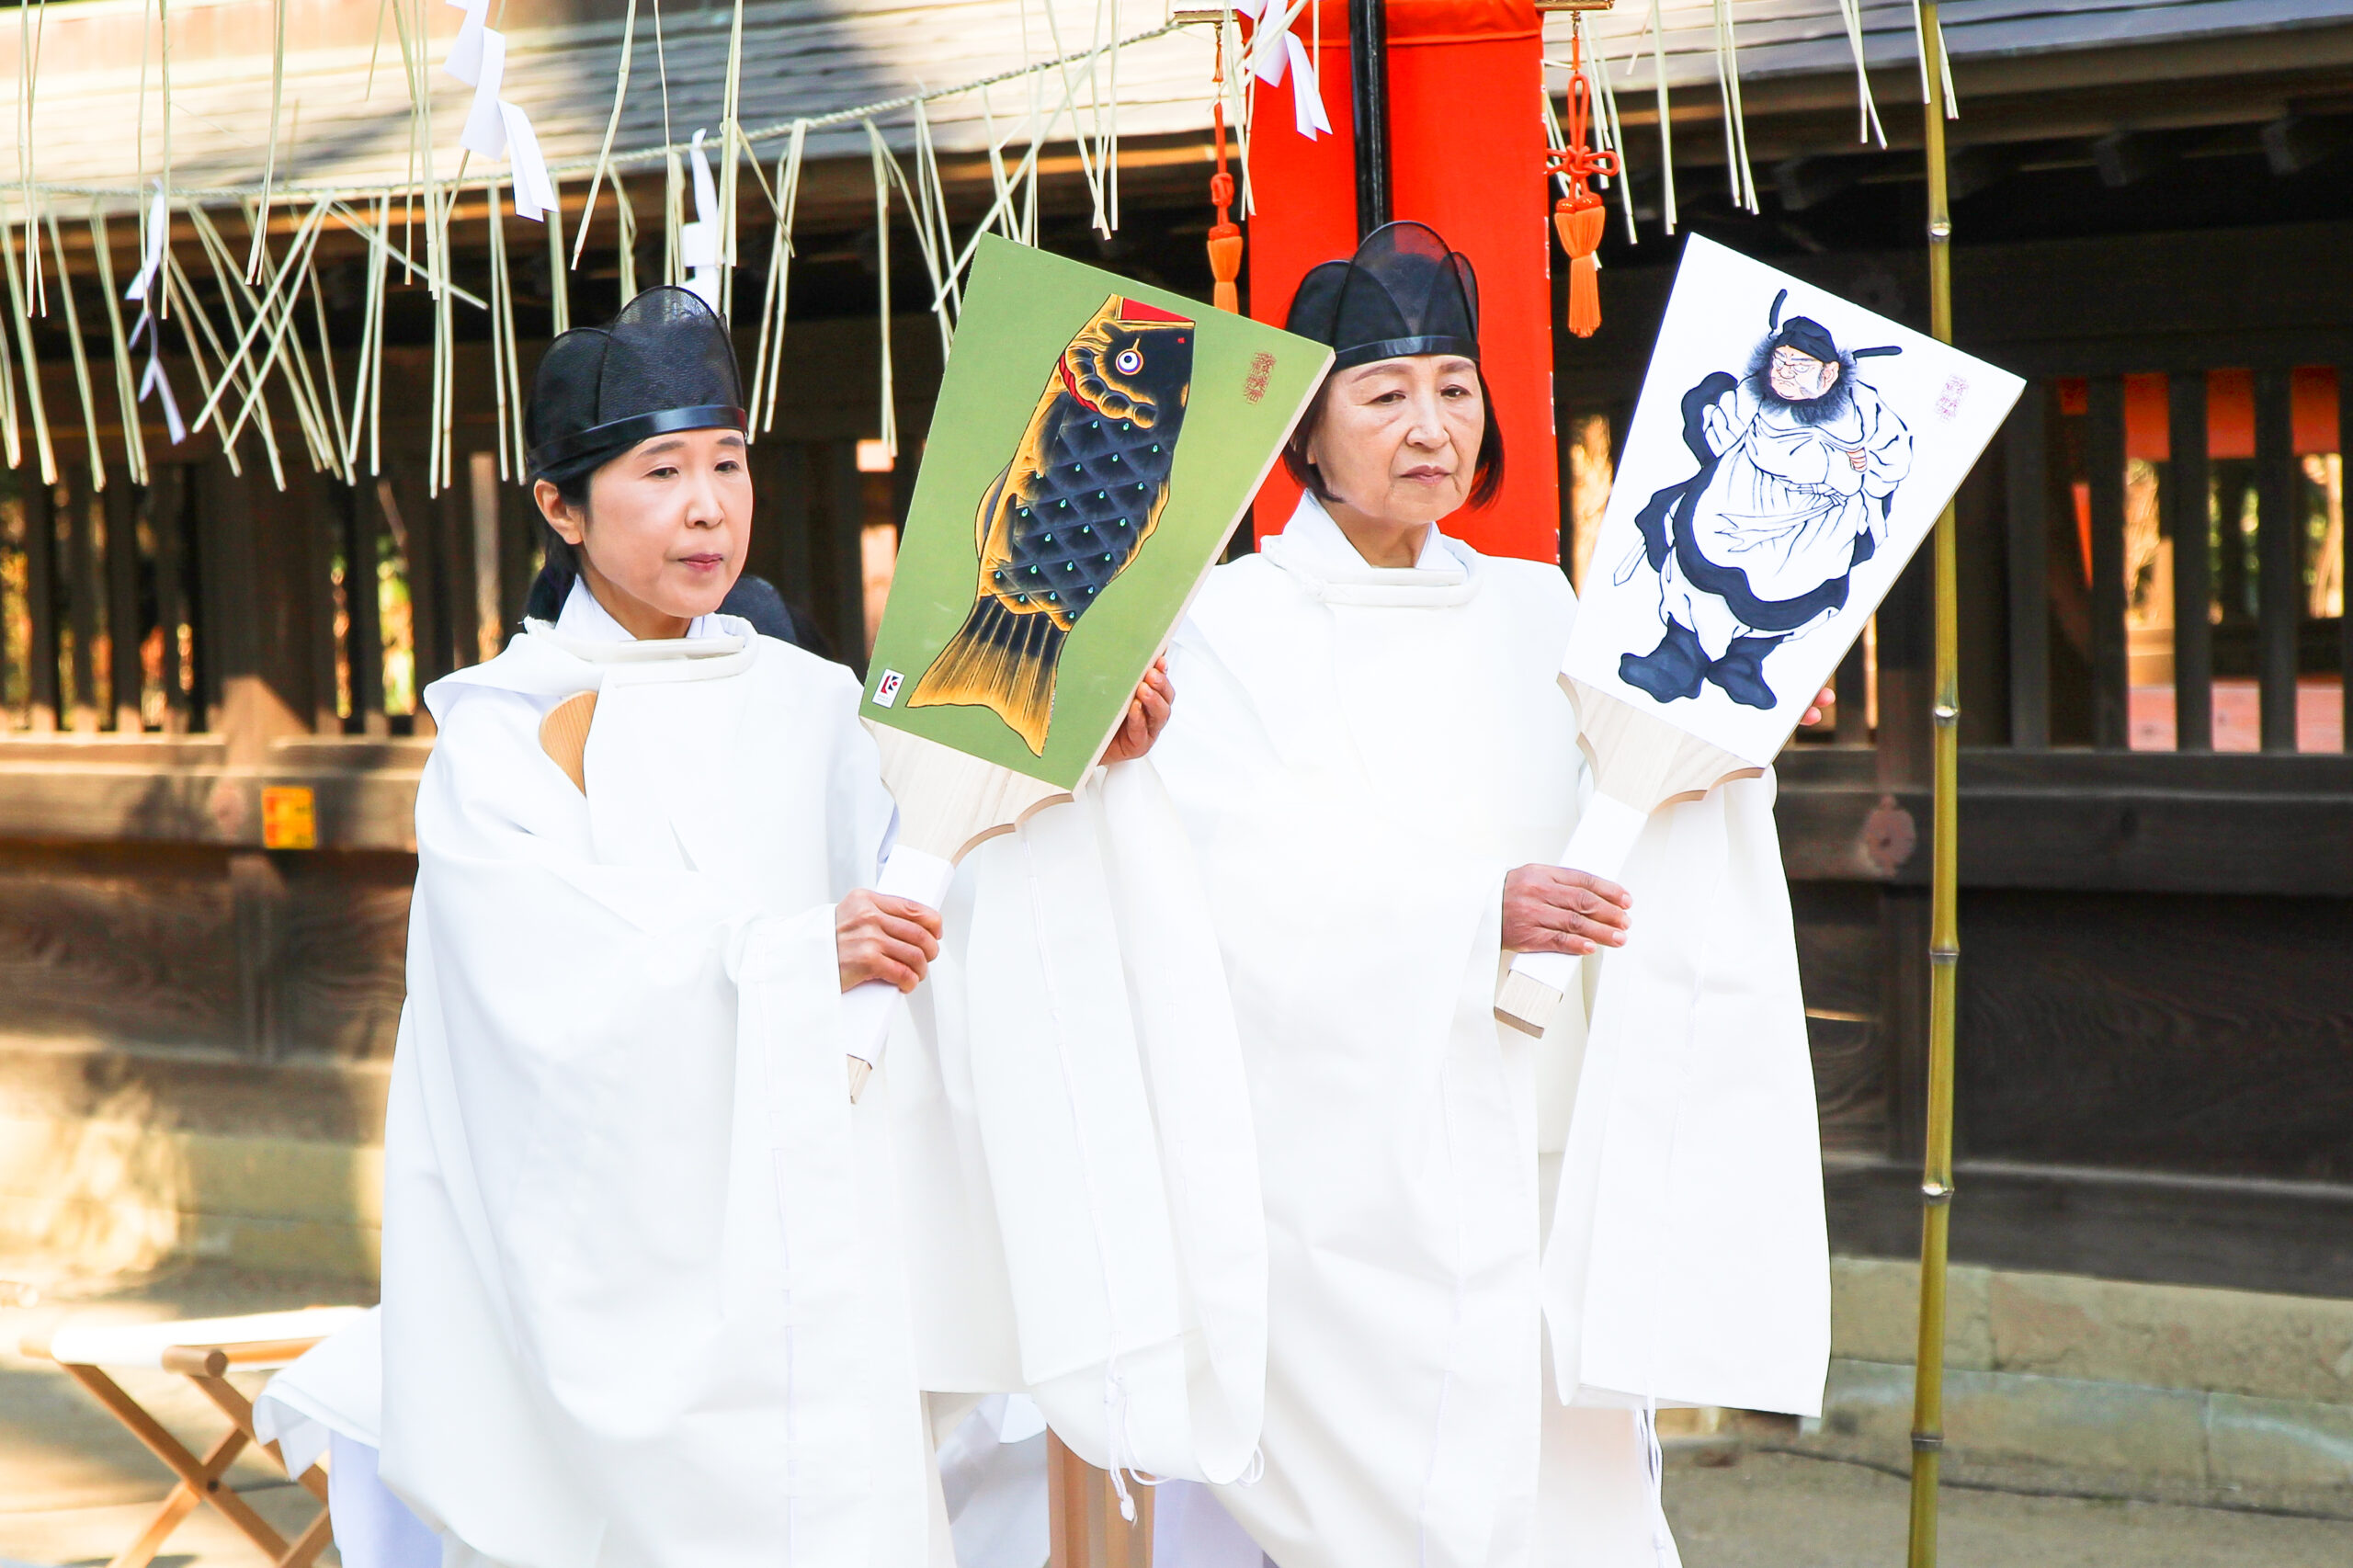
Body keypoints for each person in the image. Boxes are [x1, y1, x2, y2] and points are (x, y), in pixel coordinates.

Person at [1140, 223, 1832, 1568]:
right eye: (1384, 393)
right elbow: (1227, 875)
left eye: (1455, 387)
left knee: (1563, 1485)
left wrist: (1725, 748)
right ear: (1306, 425)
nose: (1429, 426)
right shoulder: (1226, 624)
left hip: (1534, 1122)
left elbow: (1626, 816)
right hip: (1340, 1156)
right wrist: (1469, 913)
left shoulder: (1541, 607)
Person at [378, 286, 952, 1568]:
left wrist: (1073, 769)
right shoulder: (506, 733)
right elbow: (543, 981)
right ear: (561, 506)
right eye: (662, 470)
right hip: (637, 1262)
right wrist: (800, 957)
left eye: (728, 464)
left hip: (826, 1232)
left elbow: (933, 879)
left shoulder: (815, 702)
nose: (709, 505)